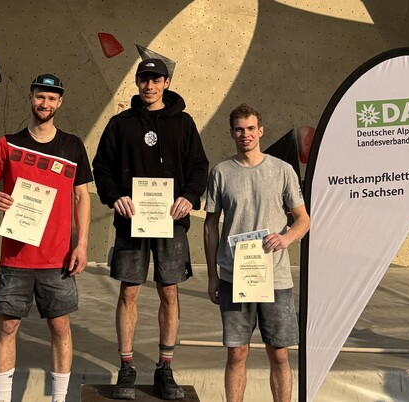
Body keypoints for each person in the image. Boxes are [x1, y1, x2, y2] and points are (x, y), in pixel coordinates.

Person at [92, 58, 208, 400]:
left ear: (167, 82)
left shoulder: (184, 124)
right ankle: (126, 367)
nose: (149, 85)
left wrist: (189, 196)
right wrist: (115, 197)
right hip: (132, 223)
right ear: (138, 82)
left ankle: (164, 368)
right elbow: (102, 168)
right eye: (144, 79)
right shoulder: (120, 124)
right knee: (129, 292)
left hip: (171, 223)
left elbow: (199, 167)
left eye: (155, 79)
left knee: (169, 292)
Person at [0, 73, 92, 402]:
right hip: (15, 256)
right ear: (31, 98)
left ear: (60, 103)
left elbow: (82, 198)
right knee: (8, 326)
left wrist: (81, 244)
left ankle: (58, 399)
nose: (46, 103)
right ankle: (2, 398)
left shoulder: (72, 146)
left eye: (52, 98)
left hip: (57, 257)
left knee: (60, 328)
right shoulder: (8, 143)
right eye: (40, 97)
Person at [203, 104, 310, 402]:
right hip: (235, 278)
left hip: (275, 278)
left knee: (278, 353)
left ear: (261, 131)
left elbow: (304, 219)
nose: (245, 134)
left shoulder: (282, 170)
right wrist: (212, 275)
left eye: (251, 128)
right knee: (237, 353)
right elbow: (210, 226)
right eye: (239, 129)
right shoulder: (221, 173)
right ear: (231, 133)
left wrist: (287, 238)